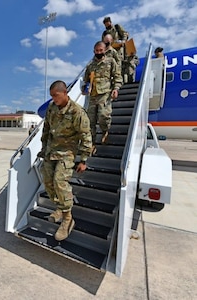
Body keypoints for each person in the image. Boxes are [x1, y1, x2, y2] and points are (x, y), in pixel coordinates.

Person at [38, 80, 92, 241]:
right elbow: (46, 128)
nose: (54, 99)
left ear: (65, 93)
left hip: (67, 153)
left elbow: (86, 135)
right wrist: (43, 147)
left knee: (60, 182)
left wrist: (83, 159)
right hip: (51, 151)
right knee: (48, 182)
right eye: (52, 96)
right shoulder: (52, 107)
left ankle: (68, 219)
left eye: (56, 95)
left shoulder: (77, 112)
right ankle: (60, 209)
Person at [83, 41, 123, 150]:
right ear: (94, 51)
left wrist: (116, 89)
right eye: (97, 51)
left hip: (105, 94)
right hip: (93, 96)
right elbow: (86, 80)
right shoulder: (90, 66)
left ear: (105, 50)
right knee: (90, 121)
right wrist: (84, 89)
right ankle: (92, 144)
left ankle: (105, 131)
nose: (99, 52)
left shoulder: (110, 62)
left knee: (103, 117)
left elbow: (117, 76)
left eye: (101, 50)